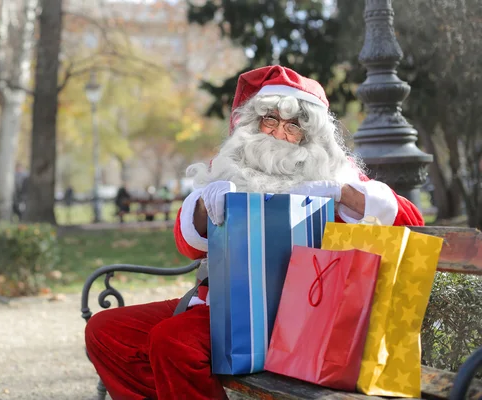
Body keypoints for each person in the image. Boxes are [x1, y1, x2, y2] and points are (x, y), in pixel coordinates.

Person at [85, 66, 425, 400]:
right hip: (226, 306)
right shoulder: (230, 169)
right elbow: (186, 246)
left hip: (304, 317)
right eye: (271, 120)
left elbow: (412, 224)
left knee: (173, 341)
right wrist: (205, 204)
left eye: (294, 125)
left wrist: (342, 194)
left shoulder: (337, 174)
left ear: (312, 135)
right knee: (105, 332)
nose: (279, 133)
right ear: (253, 125)